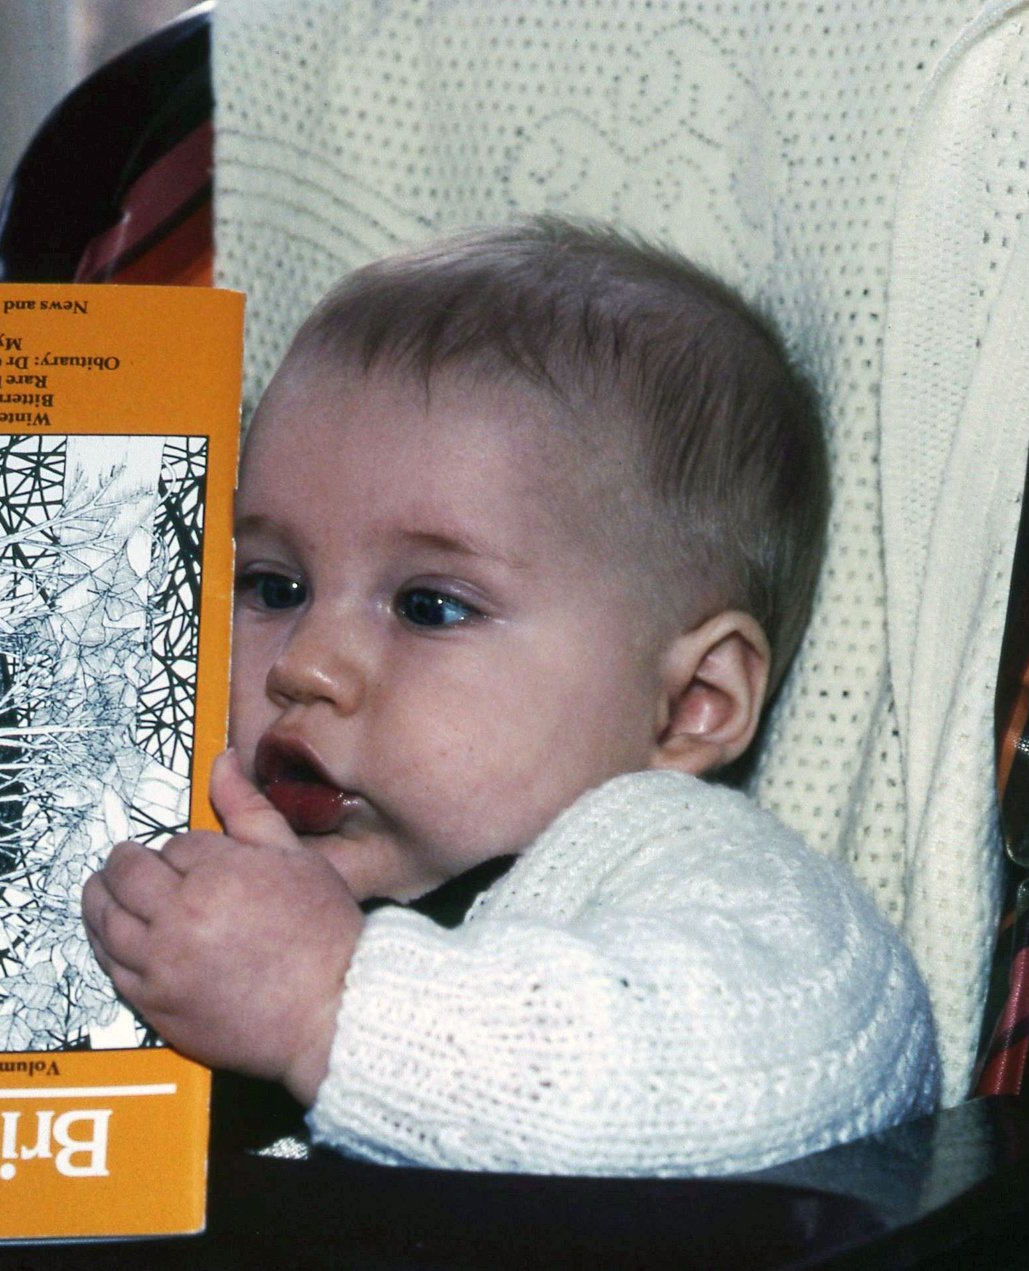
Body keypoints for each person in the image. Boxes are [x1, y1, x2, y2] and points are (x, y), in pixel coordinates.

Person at [82, 218, 937, 1175]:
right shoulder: (203, 835)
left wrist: (328, 1003)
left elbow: (819, 1047)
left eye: (430, 606)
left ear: (693, 700)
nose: (306, 665)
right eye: (275, 586)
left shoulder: (687, 867)